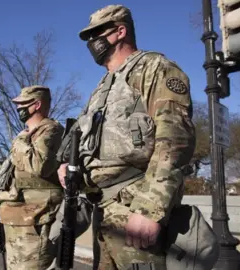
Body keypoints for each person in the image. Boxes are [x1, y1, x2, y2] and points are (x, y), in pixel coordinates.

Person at [57, 4, 196, 269]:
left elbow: (176, 138)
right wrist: (68, 165)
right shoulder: (102, 87)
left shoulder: (154, 67)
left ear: (120, 31)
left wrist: (150, 208)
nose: (91, 42)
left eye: (96, 34)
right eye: (88, 37)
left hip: (135, 206)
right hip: (104, 210)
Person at [0, 85, 65, 270]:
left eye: (23, 104)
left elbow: (39, 165)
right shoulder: (28, 133)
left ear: (36, 105)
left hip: (36, 219)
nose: (18, 108)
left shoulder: (51, 130)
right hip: (17, 217)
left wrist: (19, 142)